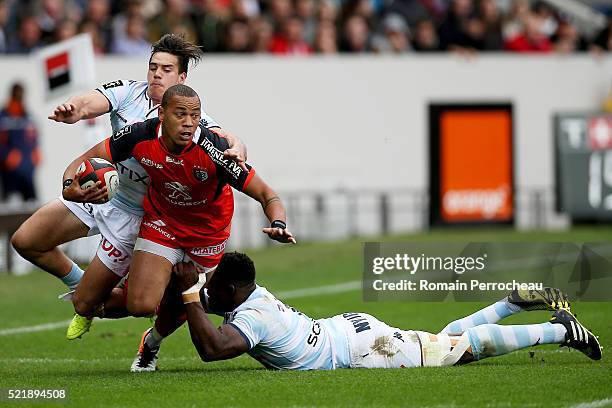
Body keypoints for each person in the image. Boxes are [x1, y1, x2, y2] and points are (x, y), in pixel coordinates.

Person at [11, 34, 246, 336]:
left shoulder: (189, 119)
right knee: (25, 241)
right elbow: (89, 102)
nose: (156, 74)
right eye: (152, 67)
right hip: (98, 191)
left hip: (133, 215)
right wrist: (75, 108)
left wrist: (238, 147)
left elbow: (226, 138)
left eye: (166, 69)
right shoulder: (127, 92)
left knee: (88, 305)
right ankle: (81, 283)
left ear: (182, 77)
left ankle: (105, 299)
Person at [62, 84, 295, 372]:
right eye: (181, 114)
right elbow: (86, 158)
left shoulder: (215, 150)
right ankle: (150, 288)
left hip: (206, 237)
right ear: (162, 113)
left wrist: (278, 223)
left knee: (182, 296)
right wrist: (69, 188)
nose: (189, 122)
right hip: (163, 225)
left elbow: (267, 194)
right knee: (141, 305)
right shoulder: (140, 135)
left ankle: (151, 343)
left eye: (195, 115)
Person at [169, 252, 601, 370]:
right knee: (440, 341)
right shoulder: (252, 295)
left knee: (457, 351)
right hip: (349, 330)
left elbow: (211, 348)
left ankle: (560, 330)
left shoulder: (253, 317)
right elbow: (208, 305)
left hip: (361, 350)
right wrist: (186, 292)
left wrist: (190, 296)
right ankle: (511, 304)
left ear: (229, 289)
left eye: (212, 288)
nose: (207, 292)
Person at [0, 82, 40, 201]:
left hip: (27, 167)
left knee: (31, 202)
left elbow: (33, 136)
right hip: (9, 170)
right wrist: (6, 156)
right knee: (11, 202)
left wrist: (36, 151)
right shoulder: (3, 116)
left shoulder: (27, 115)